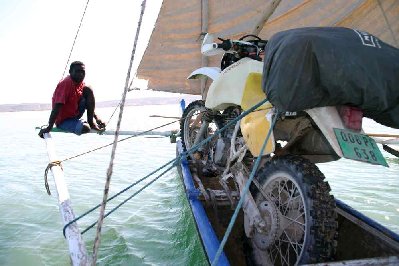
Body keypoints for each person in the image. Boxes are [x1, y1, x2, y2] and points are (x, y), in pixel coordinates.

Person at [38, 61, 105, 138]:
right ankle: (83, 124)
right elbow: (57, 106)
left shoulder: (80, 83)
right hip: (63, 120)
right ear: (70, 72)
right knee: (85, 128)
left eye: (82, 72)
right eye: (77, 72)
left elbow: (88, 104)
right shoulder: (66, 83)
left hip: (74, 114)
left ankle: (91, 123)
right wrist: (49, 126)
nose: (80, 74)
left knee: (88, 89)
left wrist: (97, 118)